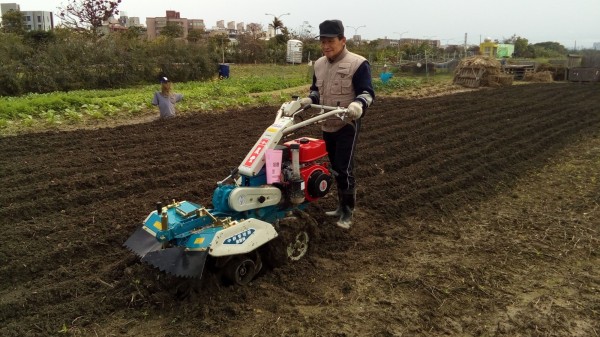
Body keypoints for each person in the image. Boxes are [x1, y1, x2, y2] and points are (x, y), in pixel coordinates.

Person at [299, 19, 375, 229]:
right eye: (322, 41)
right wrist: (308, 100)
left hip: (347, 124)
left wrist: (358, 105)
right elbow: (316, 91)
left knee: (344, 168)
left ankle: (348, 211)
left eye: (330, 41)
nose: (326, 46)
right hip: (326, 123)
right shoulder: (319, 64)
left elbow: (367, 93)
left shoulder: (358, 63)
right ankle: (340, 206)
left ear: (342, 40)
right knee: (333, 167)